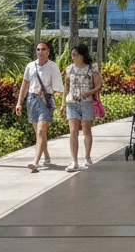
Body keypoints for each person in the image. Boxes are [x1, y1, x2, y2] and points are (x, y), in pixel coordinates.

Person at [16, 41, 64, 173]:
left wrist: (61, 103)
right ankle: (46, 155)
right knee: (38, 132)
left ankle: (35, 162)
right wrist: (19, 102)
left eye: (43, 49)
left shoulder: (53, 66)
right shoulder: (30, 66)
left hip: (45, 100)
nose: (40, 52)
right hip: (32, 99)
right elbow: (25, 84)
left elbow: (58, 87)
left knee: (41, 131)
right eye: (38, 49)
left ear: (48, 51)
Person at [59, 43, 102, 173]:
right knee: (73, 131)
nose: (72, 57)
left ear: (82, 55)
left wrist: (89, 92)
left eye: (75, 55)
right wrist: (63, 104)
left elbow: (99, 86)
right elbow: (66, 87)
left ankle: (87, 157)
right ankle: (74, 161)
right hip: (72, 102)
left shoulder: (92, 69)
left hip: (87, 102)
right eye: (72, 55)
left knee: (86, 130)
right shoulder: (69, 69)